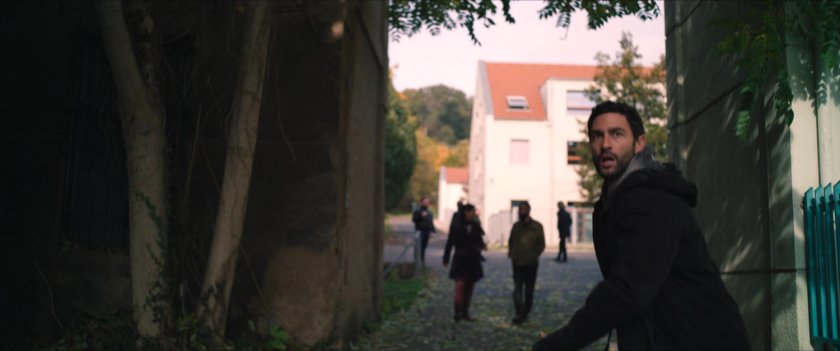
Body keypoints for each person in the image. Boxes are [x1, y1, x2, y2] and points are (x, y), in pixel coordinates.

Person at [533, 101, 749, 350]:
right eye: (597, 136)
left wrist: (560, 343)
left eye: (617, 134)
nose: (605, 144)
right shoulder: (612, 203)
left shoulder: (650, 201)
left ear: (639, 143)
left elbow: (628, 290)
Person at [442, 204, 486, 321]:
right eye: (471, 211)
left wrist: (481, 245)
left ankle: (465, 312)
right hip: (461, 259)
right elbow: (450, 242)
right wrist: (446, 258)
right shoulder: (456, 226)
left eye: (473, 212)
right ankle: (457, 312)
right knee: (460, 286)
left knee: (470, 287)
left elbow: (479, 240)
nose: (473, 214)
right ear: (465, 212)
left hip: (473, 259)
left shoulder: (476, 226)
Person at [508, 202, 545, 325]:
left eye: (522, 209)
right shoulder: (516, 226)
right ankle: (519, 314)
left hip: (531, 263)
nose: (520, 212)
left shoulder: (537, 227)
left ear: (529, 210)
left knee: (529, 290)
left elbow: (541, 244)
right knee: (517, 289)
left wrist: (534, 255)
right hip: (517, 262)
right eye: (519, 210)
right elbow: (511, 241)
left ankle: (525, 313)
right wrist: (512, 253)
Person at [412, 197, 436, 264]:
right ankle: (417, 263)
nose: (427, 203)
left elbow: (430, 222)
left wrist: (433, 231)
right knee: (418, 247)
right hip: (419, 232)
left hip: (427, 232)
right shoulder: (417, 211)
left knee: (423, 248)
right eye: (425, 201)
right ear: (421, 202)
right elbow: (414, 220)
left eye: (428, 202)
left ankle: (422, 262)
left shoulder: (429, 212)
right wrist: (420, 216)